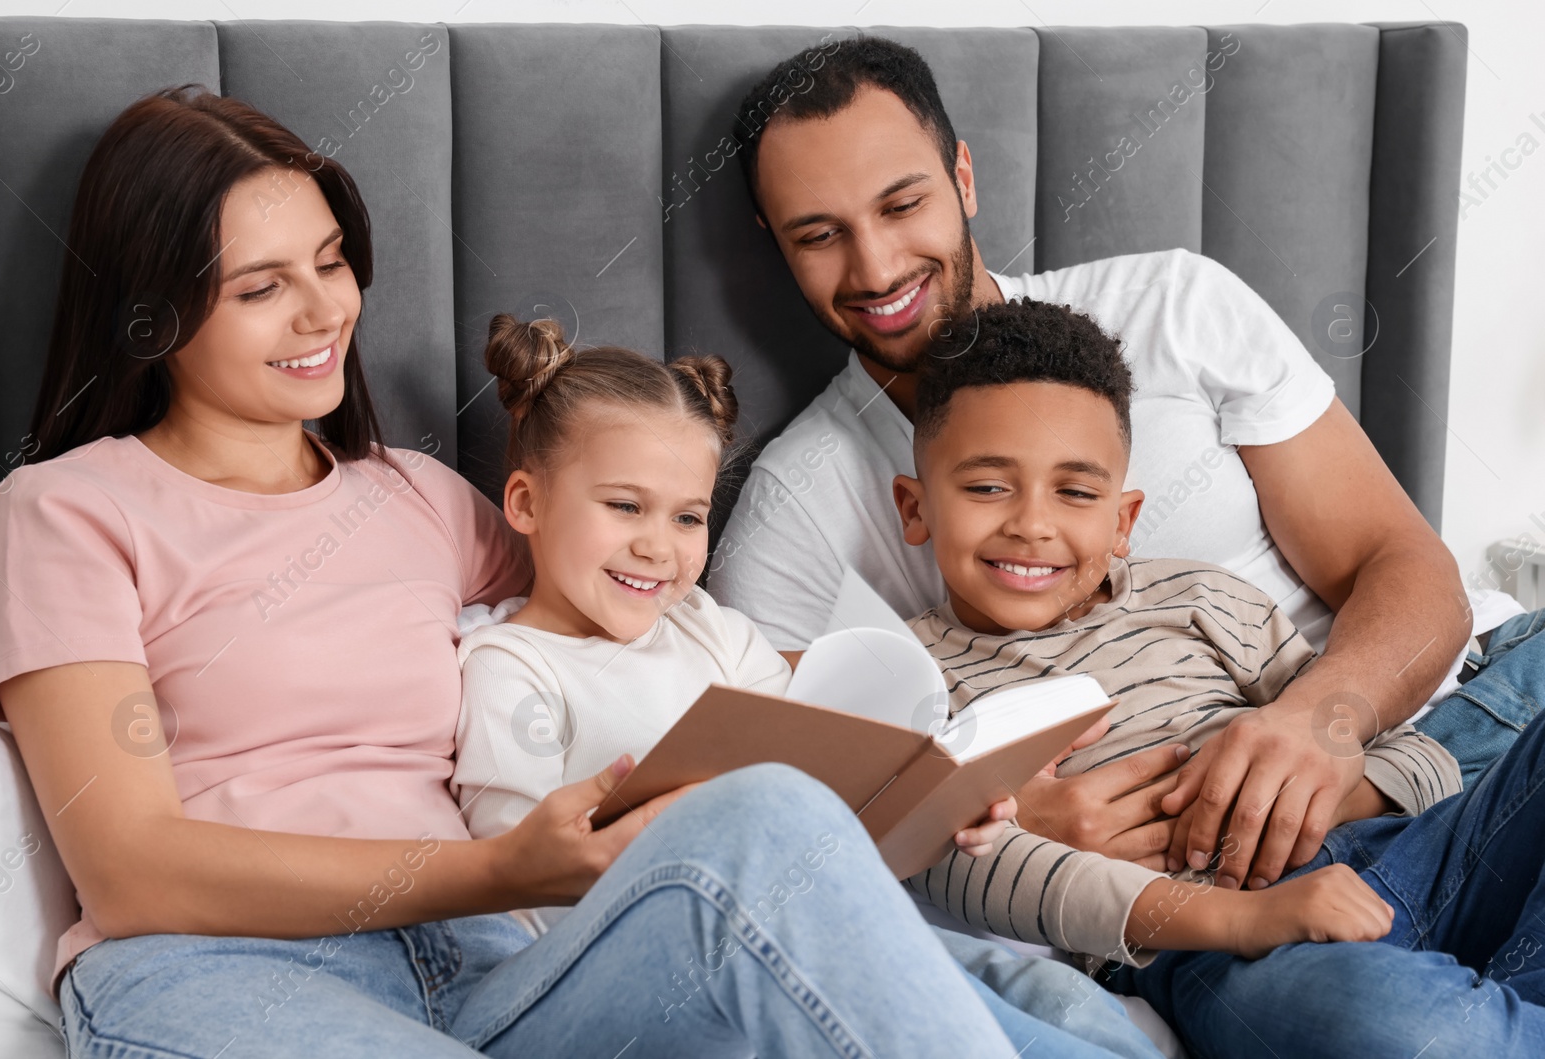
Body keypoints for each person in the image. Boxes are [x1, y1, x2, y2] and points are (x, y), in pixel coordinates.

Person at [0, 84, 1129, 1059]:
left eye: (331, 261)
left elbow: (636, 608)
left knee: (771, 813)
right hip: (229, 972)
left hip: (498, 965)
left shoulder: (415, 498)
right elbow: (129, 869)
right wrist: (495, 866)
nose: (324, 309)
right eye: (261, 286)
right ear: (151, 311)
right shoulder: (67, 510)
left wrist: (901, 769)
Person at [707, 34, 1532, 895]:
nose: (876, 267)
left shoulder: (1175, 304)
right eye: (819, 235)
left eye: (902, 203)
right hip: (1250, 873)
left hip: (1477, 694)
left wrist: (1321, 723)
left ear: (962, 178)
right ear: (776, 243)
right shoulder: (795, 507)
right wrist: (1001, 817)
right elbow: (790, 813)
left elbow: (1405, 564)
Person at [449, 312, 1163, 1058]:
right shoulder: (511, 663)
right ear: (528, 503)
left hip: (786, 906)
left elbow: (821, 795)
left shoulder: (705, 627)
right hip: (627, 959)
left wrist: (938, 809)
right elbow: (516, 886)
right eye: (624, 505)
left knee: (1055, 996)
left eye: (688, 516)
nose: (658, 546)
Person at [898, 297, 1545, 1056]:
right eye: (986, 487)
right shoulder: (918, 681)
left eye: (1075, 491)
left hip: (1406, 852)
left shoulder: (1203, 598)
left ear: (1123, 521)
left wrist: (1287, 802)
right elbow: (962, 869)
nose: (1032, 524)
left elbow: (1413, 755)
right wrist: (1243, 909)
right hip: (1212, 941)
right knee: (1409, 1031)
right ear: (915, 508)